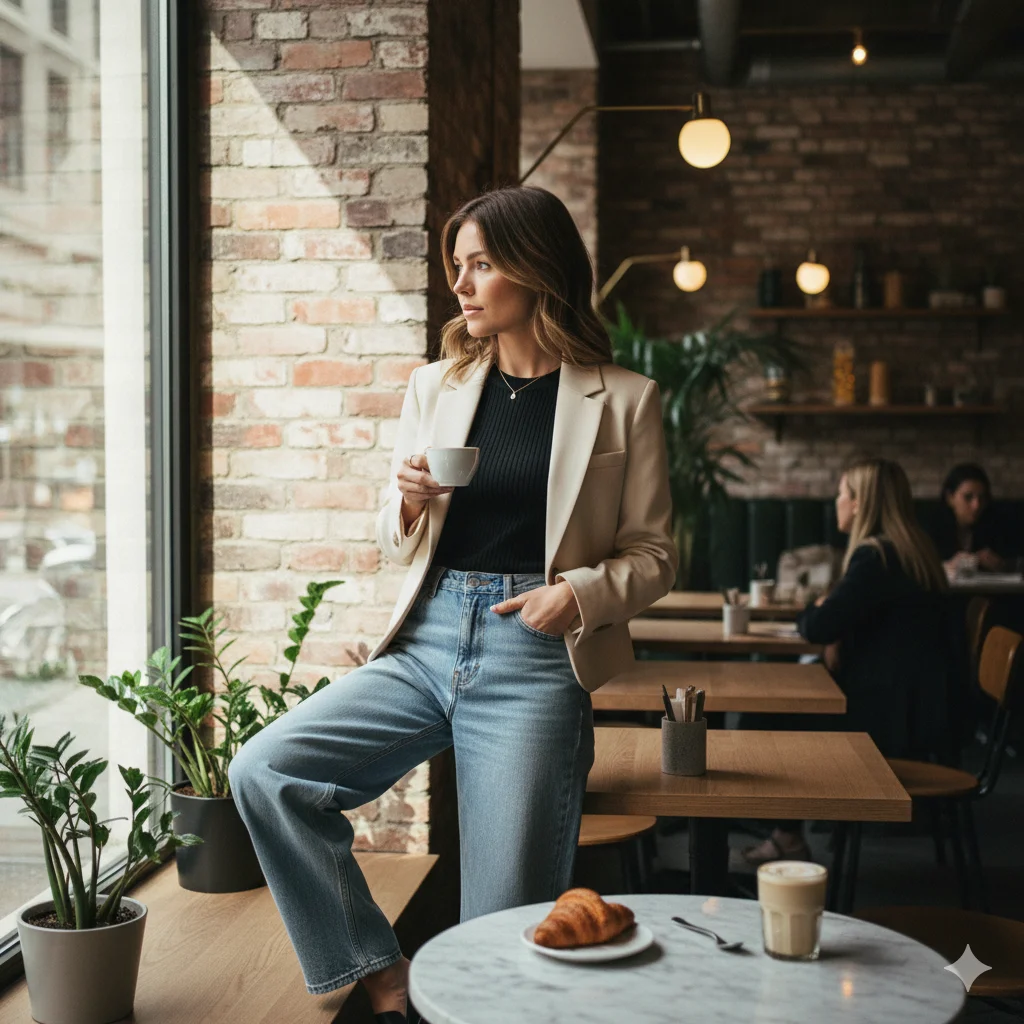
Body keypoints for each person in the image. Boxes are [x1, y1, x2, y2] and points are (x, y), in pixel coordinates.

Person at [228, 186, 677, 1022]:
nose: (462, 286)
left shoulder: (624, 398)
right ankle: (378, 971)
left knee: (498, 929)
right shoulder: (434, 385)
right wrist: (403, 502)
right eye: (457, 267)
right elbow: (396, 545)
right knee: (265, 770)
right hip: (426, 640)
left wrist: (572, 597)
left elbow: (654, 557)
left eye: (481, 265)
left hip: (533, 655)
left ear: (536, 270)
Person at [742, 458, 956, 866]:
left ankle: (785, 837)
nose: (836, 500)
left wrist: (816, 609)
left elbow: (820, 624)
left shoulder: (876, 558)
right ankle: (785, 834)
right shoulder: (916, 549)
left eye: (842, 492)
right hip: (927, 706)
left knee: (767, 718)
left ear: (859, 504)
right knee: (779, 712)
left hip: (892, 714)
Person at [930, 463, 1013, 577]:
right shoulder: (931, 526)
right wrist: (949, 565)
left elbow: (1012, 563)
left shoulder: (996, 524)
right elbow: (919, 569)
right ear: (950, 497)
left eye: (982, 498)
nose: (976, 505)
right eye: (968, 497)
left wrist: (1001, 564)